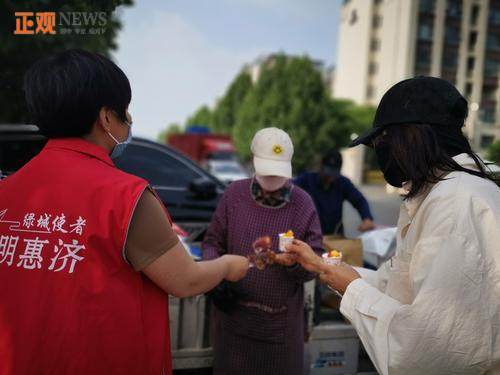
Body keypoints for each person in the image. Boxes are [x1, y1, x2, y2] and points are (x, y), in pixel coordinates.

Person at [0, 49, 249, 375]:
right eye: (125, 112)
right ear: (106, 118)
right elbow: (185, 281)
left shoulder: (9, 189)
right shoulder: (127, 197)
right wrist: (229, 265)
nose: (129, 121)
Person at [286, 76, 500, 374]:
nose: (379, 153)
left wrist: (352, 289)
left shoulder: (455, 202)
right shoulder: (439, 194)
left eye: (380, 142)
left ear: (409, 137)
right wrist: (321, 265)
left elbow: (426, 347)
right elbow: (397, 284)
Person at [202, 127, 323, 375]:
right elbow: (212, 242)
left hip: (281, 330)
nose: (271, 187)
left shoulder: (303, 205)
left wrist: (293, 264)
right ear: (253, 164)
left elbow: (316, 263)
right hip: (234, 321)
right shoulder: (234, 196)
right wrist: (215, 276)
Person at [294, 149, 375, 236]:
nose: (330, 177)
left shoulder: (343, 183)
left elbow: (359, 200)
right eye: (327, 171)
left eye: (334, 173)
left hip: (334, 236)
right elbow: (289, 189)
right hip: (308, 235)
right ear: (321, 166)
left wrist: (367, 218)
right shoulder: (306, 179)